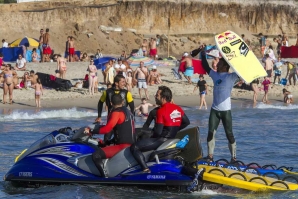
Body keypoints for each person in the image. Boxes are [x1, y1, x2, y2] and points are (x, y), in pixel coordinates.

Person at [130, 86, 190, 173]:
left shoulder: (160, 111)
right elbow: (186, 122)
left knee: (134, 147)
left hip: (162, 140)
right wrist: (176, 130)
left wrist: (148, 137)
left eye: (157, 95)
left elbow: (158, 132)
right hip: (171, 138)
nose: (155, 96)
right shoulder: (178, 108)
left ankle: (145, 168)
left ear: (164, 98)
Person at [201, 51, 239, 163]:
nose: (217, 65)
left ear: (225, 66)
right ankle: (210, 156)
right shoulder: (215, 75)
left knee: (229, 134)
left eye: (220, 64)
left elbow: (241, 70)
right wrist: (203, 54)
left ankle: (233, 158)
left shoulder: (232, 76)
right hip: (215, 110)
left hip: (226, 111)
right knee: (210, 133)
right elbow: (205, 66)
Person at [91, 94, 136, 177]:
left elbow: (107, 129)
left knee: (96, 155)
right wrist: (110, 141)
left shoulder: (116, 112)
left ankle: (105, 177)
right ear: (123, 102)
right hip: (131, 144)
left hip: (123, 146)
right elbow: (125, 130)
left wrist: (91, 131)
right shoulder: (129, 112)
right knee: (104, 146)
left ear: (111, 103)